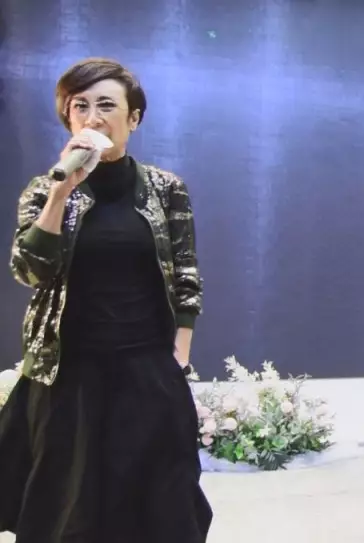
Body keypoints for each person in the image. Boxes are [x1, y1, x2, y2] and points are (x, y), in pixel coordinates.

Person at [0, 58, 212, 542]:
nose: (93, 117)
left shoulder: (166, 189)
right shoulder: (45, 188)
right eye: (80, 106)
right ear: (68, 118)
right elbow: (30, 271)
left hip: (146, 370)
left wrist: (178, 355)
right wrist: (61, 194)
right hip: (67, 373)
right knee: (68, 509)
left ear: (133, 118)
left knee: (159, 503)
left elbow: (185, 276)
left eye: (106, 105)